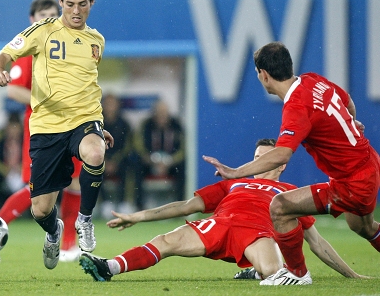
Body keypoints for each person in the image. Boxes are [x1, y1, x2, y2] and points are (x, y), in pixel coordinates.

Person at [203, 41, 380, 286]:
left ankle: (297, 274)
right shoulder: (312, 80)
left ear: (264, 75)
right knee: (364, 227)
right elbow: (347, 101)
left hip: (353, 182)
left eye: (257, 74)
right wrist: (349, 123)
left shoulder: (297, 105)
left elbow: (282, 154)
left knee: (280, 207)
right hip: (367, 162)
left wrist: (235, 172)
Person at [79, 138, 364, 282]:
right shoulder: (234, 183)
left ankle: (256, 271)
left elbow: (315, 241)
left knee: (275, 275)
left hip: (257, 233)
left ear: (281, 164)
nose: (258, 165)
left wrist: (353, 277)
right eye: (255, 159)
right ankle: (109, 267)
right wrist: (138, 216)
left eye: (265, 160)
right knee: (166, 241)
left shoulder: (290, 191)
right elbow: (186, 206)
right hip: (220, 225)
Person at [0, 0, 113, 270]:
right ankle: (54, 230)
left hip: (83, 121)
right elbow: (2, 56)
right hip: (46, 127)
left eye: (82, 4)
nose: (75, 11)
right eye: (70, 4)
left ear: (92, 4)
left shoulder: (97, 41)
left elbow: (87, 84)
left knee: (95, 153)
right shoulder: (42, 31)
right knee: (41, 210)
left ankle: (84, 221)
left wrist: (98, 128)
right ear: (61, 2)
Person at [0, 0, 84, 264]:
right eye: (42, 16)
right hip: (41, 129)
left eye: (52, 14)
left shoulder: (72, 46)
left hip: (72, 125)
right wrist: (46, 100)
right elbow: (14, 89)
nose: (48, 20)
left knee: (75, 181)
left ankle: (68, 244)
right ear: (33, 19)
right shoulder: (32, 49)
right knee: (36, 190)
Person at [133, 100, 185, 210]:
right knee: (136, 165)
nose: (161, 115)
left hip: (171, 164)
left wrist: (170, 161)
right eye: (159, 112)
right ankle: (138, 206)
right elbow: (138, 145)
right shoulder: (145, 125)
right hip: (149, 162)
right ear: (154, 113)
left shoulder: (177, 126)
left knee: (182, 167)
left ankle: (180, 206)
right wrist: (150, 160)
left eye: (164, 112)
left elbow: (182, 149)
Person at [100, 93, 134, 216]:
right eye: (107, 104)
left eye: (112, 104)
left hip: (120, 160)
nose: (110, 107)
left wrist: (115, 161)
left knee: (129, 164)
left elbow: (128, 146)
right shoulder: (96, 124)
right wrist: (104, 160)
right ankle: (104, 203)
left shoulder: (124, 124)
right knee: (92, 168)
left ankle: (123, 202)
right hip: (100, 158)